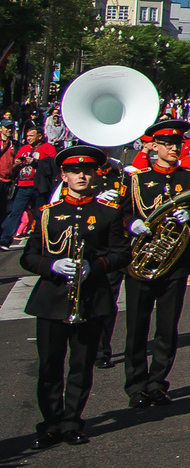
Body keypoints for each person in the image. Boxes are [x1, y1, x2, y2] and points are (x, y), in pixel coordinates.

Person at [20, 145, 127, 446]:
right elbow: (28, 257)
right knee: (50, 366)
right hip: (52, 300)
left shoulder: (108, 213)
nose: (82, 175)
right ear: (64, 175)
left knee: (81, 366)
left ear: (95, 175)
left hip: (90, 299)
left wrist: (93, 266)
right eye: (75, 171)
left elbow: (121, 254)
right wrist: (51, 265)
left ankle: (72, 421)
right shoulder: (47, 214)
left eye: (87, 171)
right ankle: (51, 422)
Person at [119, 116, 190, 409]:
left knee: (167, 328)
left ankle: (157, 383)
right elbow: (122, 214)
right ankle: (136, 385)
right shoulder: (137, 179)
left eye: (177, 144)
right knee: (137, 326)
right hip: (142, 261)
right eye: (167, 144)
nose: (174, 149)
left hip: (176, 263)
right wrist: (133, 225)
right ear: (154, 146)